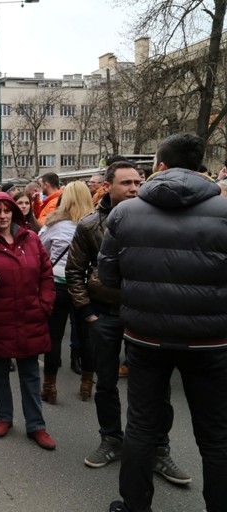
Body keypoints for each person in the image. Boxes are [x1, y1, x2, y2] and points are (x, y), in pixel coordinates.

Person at [101, 135, 222, 512]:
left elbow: (108, 278)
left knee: (141, 426)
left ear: (160, 167)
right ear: (200, 164)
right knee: (217, 436)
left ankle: (136, 506)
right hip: (211, 341)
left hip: (146, 337)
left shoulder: (124, 213)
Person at [66, 161, 189, 483]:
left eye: (138, 181)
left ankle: (159, 449)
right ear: (107, 186)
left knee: (155, 387)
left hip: (149, 317)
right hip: (105, 315)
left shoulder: (158, 219)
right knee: (106, 383)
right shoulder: (90, 224)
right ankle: (111, 439)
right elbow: (74, 272)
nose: (134, 188)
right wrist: (88, 313)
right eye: (127, 183)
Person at [0, 192, 57, 450]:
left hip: (30, 316)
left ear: (14, 212)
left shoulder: (31, 239)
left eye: (6, 210)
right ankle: (3, 417)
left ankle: (36, 424)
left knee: (30, 374)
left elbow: (46, 274)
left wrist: (44, 304)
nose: (2, 216)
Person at [38, 181, 94, 404]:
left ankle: (50, 387)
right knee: (87, 336)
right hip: (86, 284)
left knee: (54, 335)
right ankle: (86, 385)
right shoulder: (97, 223)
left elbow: (42, 251)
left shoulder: (55, 224)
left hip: (59, 283)